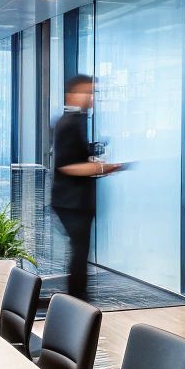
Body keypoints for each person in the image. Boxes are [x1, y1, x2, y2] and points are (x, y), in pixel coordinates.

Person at [51, 74, 121, 300]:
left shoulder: (75, 121)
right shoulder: (69, 123)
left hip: (73, 201)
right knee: (79, 253)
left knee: (79, 251)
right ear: (71, 94)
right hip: (71, 202)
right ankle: (77, 301)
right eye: (87, 92)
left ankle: (77, 300)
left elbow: (77, 158)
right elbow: (68, 166)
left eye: (92, 93)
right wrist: (104, 168)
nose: (91, 97)